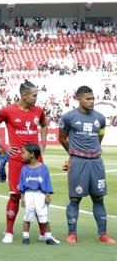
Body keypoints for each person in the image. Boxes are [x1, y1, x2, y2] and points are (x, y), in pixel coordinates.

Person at [0, 80, 48, 244]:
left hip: (37, 160)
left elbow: (44, 125)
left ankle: (44, 232)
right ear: (24, 95)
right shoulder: (8, 111)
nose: (36, 98)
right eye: (34, 95)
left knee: (40, 195)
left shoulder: (39, 111)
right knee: (14, 196)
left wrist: (43, 144)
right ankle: (9, 232)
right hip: (17, 160)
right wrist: (4, 145)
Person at [59, 86, 115, 244]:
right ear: (78, 98)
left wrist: (93, 151)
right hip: (78, 162)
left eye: (93, 99)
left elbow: (100, 137)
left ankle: (103, 234)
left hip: (96, 162)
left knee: (98, 198)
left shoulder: (100, 118)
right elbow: (62, 138)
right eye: (88, 99)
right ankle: (72, 234)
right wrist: (73, 153)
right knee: (75, 198)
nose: (91, 101)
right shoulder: (68, 117)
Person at [18, 144, 59, 245]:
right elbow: (22, 183)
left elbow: (47, 182)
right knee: (27, 217)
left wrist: (48, 194)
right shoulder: (24, 169)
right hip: (28, 195)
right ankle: (25, 237)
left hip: (40, 195)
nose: (21, 155)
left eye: (23, 153)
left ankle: (48, 237)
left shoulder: (43, 168)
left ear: (32, 154)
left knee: (44, 217)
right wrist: (22, 197)